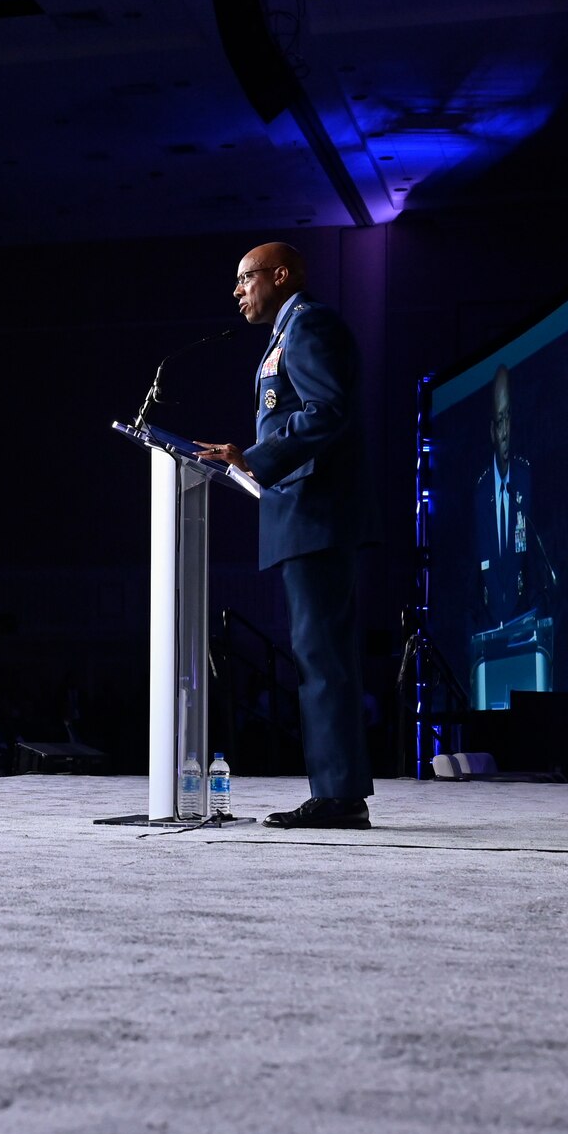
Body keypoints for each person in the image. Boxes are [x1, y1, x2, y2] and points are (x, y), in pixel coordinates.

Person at [196, 242, 376, 830]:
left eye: (246, 277)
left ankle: (340, 796)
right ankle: (337, 790)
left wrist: (256, 458)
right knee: (317, 656)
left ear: (281, 275)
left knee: (322, 658)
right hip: (301, 514)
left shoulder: (309, 324)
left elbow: (327, 411)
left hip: (316, 513)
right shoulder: (285, 334)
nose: (237, 290)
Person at [471, 364, 554, 634]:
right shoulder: (480, 492)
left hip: (524, 622)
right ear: (492, 431)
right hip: (489, 625)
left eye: (508, 418)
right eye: (499, 421)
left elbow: (536, 561)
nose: (505, 432)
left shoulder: (526, 478)